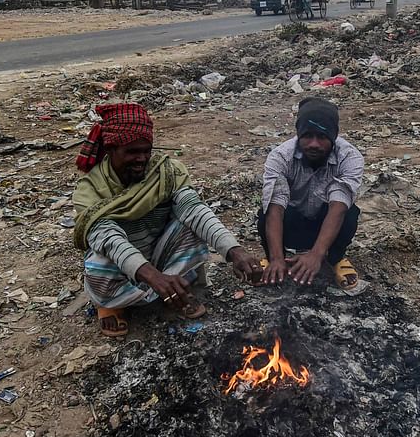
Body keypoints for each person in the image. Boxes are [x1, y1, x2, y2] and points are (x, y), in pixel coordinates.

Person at [73, 103, 261, 337]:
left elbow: (194, 210)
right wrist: (152, 276)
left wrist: (234, 251)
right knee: (98, 261)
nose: (141, 159)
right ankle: (114, 304)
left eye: (146, 150)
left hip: (162, 253)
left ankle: (173, 292)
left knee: (192, 228)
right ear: (111, 149)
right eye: (132, 152)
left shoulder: (167, 172)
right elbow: (109, 239)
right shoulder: (89, 190)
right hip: (121, 264)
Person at [258, 97, 363, 291]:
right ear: (298, 134)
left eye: (322, 137)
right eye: (307, 136)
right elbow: (275, 208)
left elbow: (338, 207)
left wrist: (316, 254)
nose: (314, 144)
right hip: (292, 223)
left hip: (326, 225)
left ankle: (335, 259)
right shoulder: (281, 156)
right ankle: (274, 260)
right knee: (265, 211)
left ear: (333, 137)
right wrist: (276, 258)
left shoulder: (349, 157)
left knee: (349, 213)